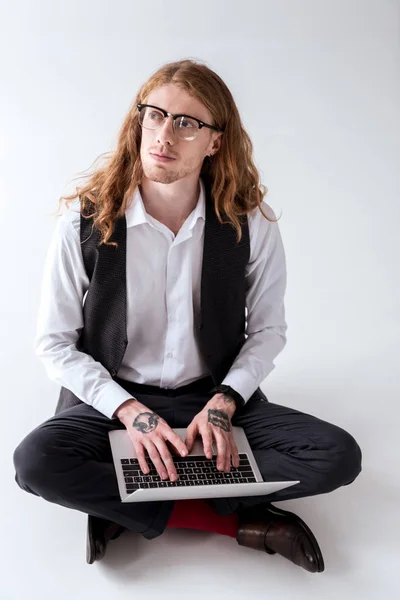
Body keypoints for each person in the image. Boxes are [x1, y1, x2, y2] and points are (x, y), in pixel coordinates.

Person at [13, 59, 362, 573]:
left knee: (339, 456)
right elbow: (55, 344)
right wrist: (130, 412)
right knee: (35, 463)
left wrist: (223, 403)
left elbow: (268, 330)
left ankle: (129, 506)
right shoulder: (85, 220)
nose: (163, 134)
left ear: (215, 142)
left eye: (187, 122)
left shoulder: (250, 224)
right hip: (116, 398)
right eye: (154, 115)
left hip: (212, 395)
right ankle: (234, 522)